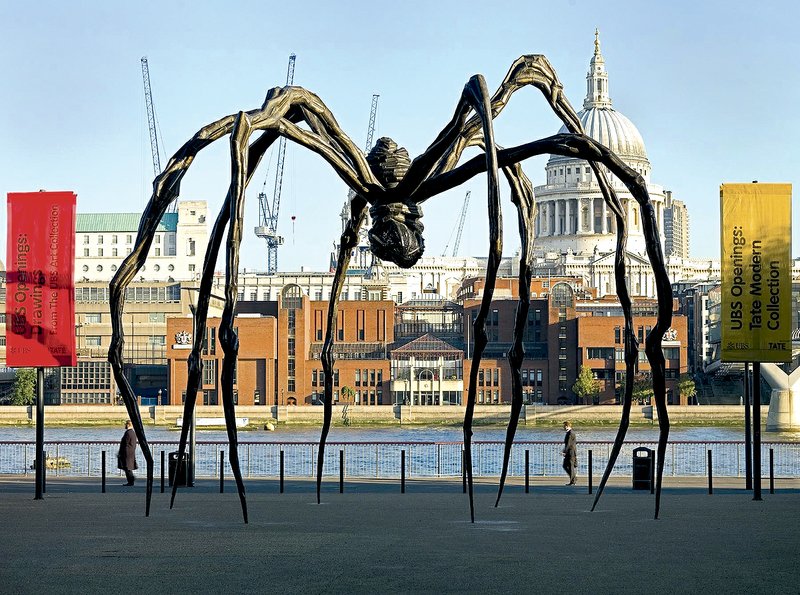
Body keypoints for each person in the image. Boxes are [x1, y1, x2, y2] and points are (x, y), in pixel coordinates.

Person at [117, 420, 138, 486]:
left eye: (125, 424)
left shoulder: (128, 433)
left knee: (127, 468)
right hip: (130, 453)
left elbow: (125, 444)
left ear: (128, 425)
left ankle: (131, 481)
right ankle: (131, 480)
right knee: (127, 468)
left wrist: (121, 453)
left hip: (127, 453)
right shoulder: (132, 432)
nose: (125, 425)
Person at [561, 420, 577, 486]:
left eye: (564, 426)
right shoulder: (570, 433)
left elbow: (568, 444)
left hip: (571, 453)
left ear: (567, 426)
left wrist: (564, 451)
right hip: (569, 452)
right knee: (565, 465)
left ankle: (573, 481)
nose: (563, 428)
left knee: (570, 466)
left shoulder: (570, 433)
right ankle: (573, 478)